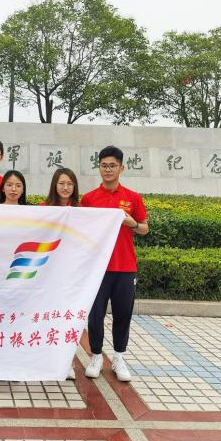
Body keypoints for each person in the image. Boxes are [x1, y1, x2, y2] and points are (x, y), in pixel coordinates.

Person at [80, 145, 149, 382]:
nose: (108, 170)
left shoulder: (132, 197)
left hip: (125, 266)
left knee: (122, 314)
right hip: (97, 268)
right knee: (95, 315)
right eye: (104, 165)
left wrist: (132, 223)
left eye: (112, 166)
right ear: (98, 167)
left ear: (121, 168)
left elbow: (144, 228)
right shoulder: (89, 198)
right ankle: (96, 356)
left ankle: (119, 357)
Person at [42, 168, 79, 379]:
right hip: (46, 273)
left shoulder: (81, 211)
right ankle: (44, 359)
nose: (65, 188)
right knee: (46, 316)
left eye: (69, 184)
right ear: (54, 185)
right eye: (61, 183)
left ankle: (66, 362)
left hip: (71, 274)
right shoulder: (43, 209)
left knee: (67, 319)